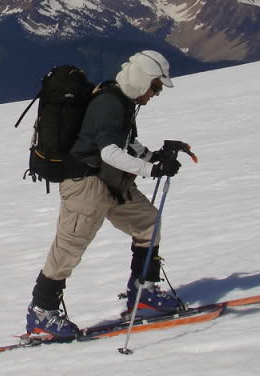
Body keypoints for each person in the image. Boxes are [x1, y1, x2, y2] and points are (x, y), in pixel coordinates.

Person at [25, 50, 187, 340]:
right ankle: (42, 313)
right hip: (86, 184)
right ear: (142, 80)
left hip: (111, 182)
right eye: (156, 86)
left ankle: (144, 292)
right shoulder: (109, 103)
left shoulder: (122, 101)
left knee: (148, 223)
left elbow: (126, 142)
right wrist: (151, 170)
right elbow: (109, 151)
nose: (156, 93)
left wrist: (155, 157)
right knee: (69, 248)